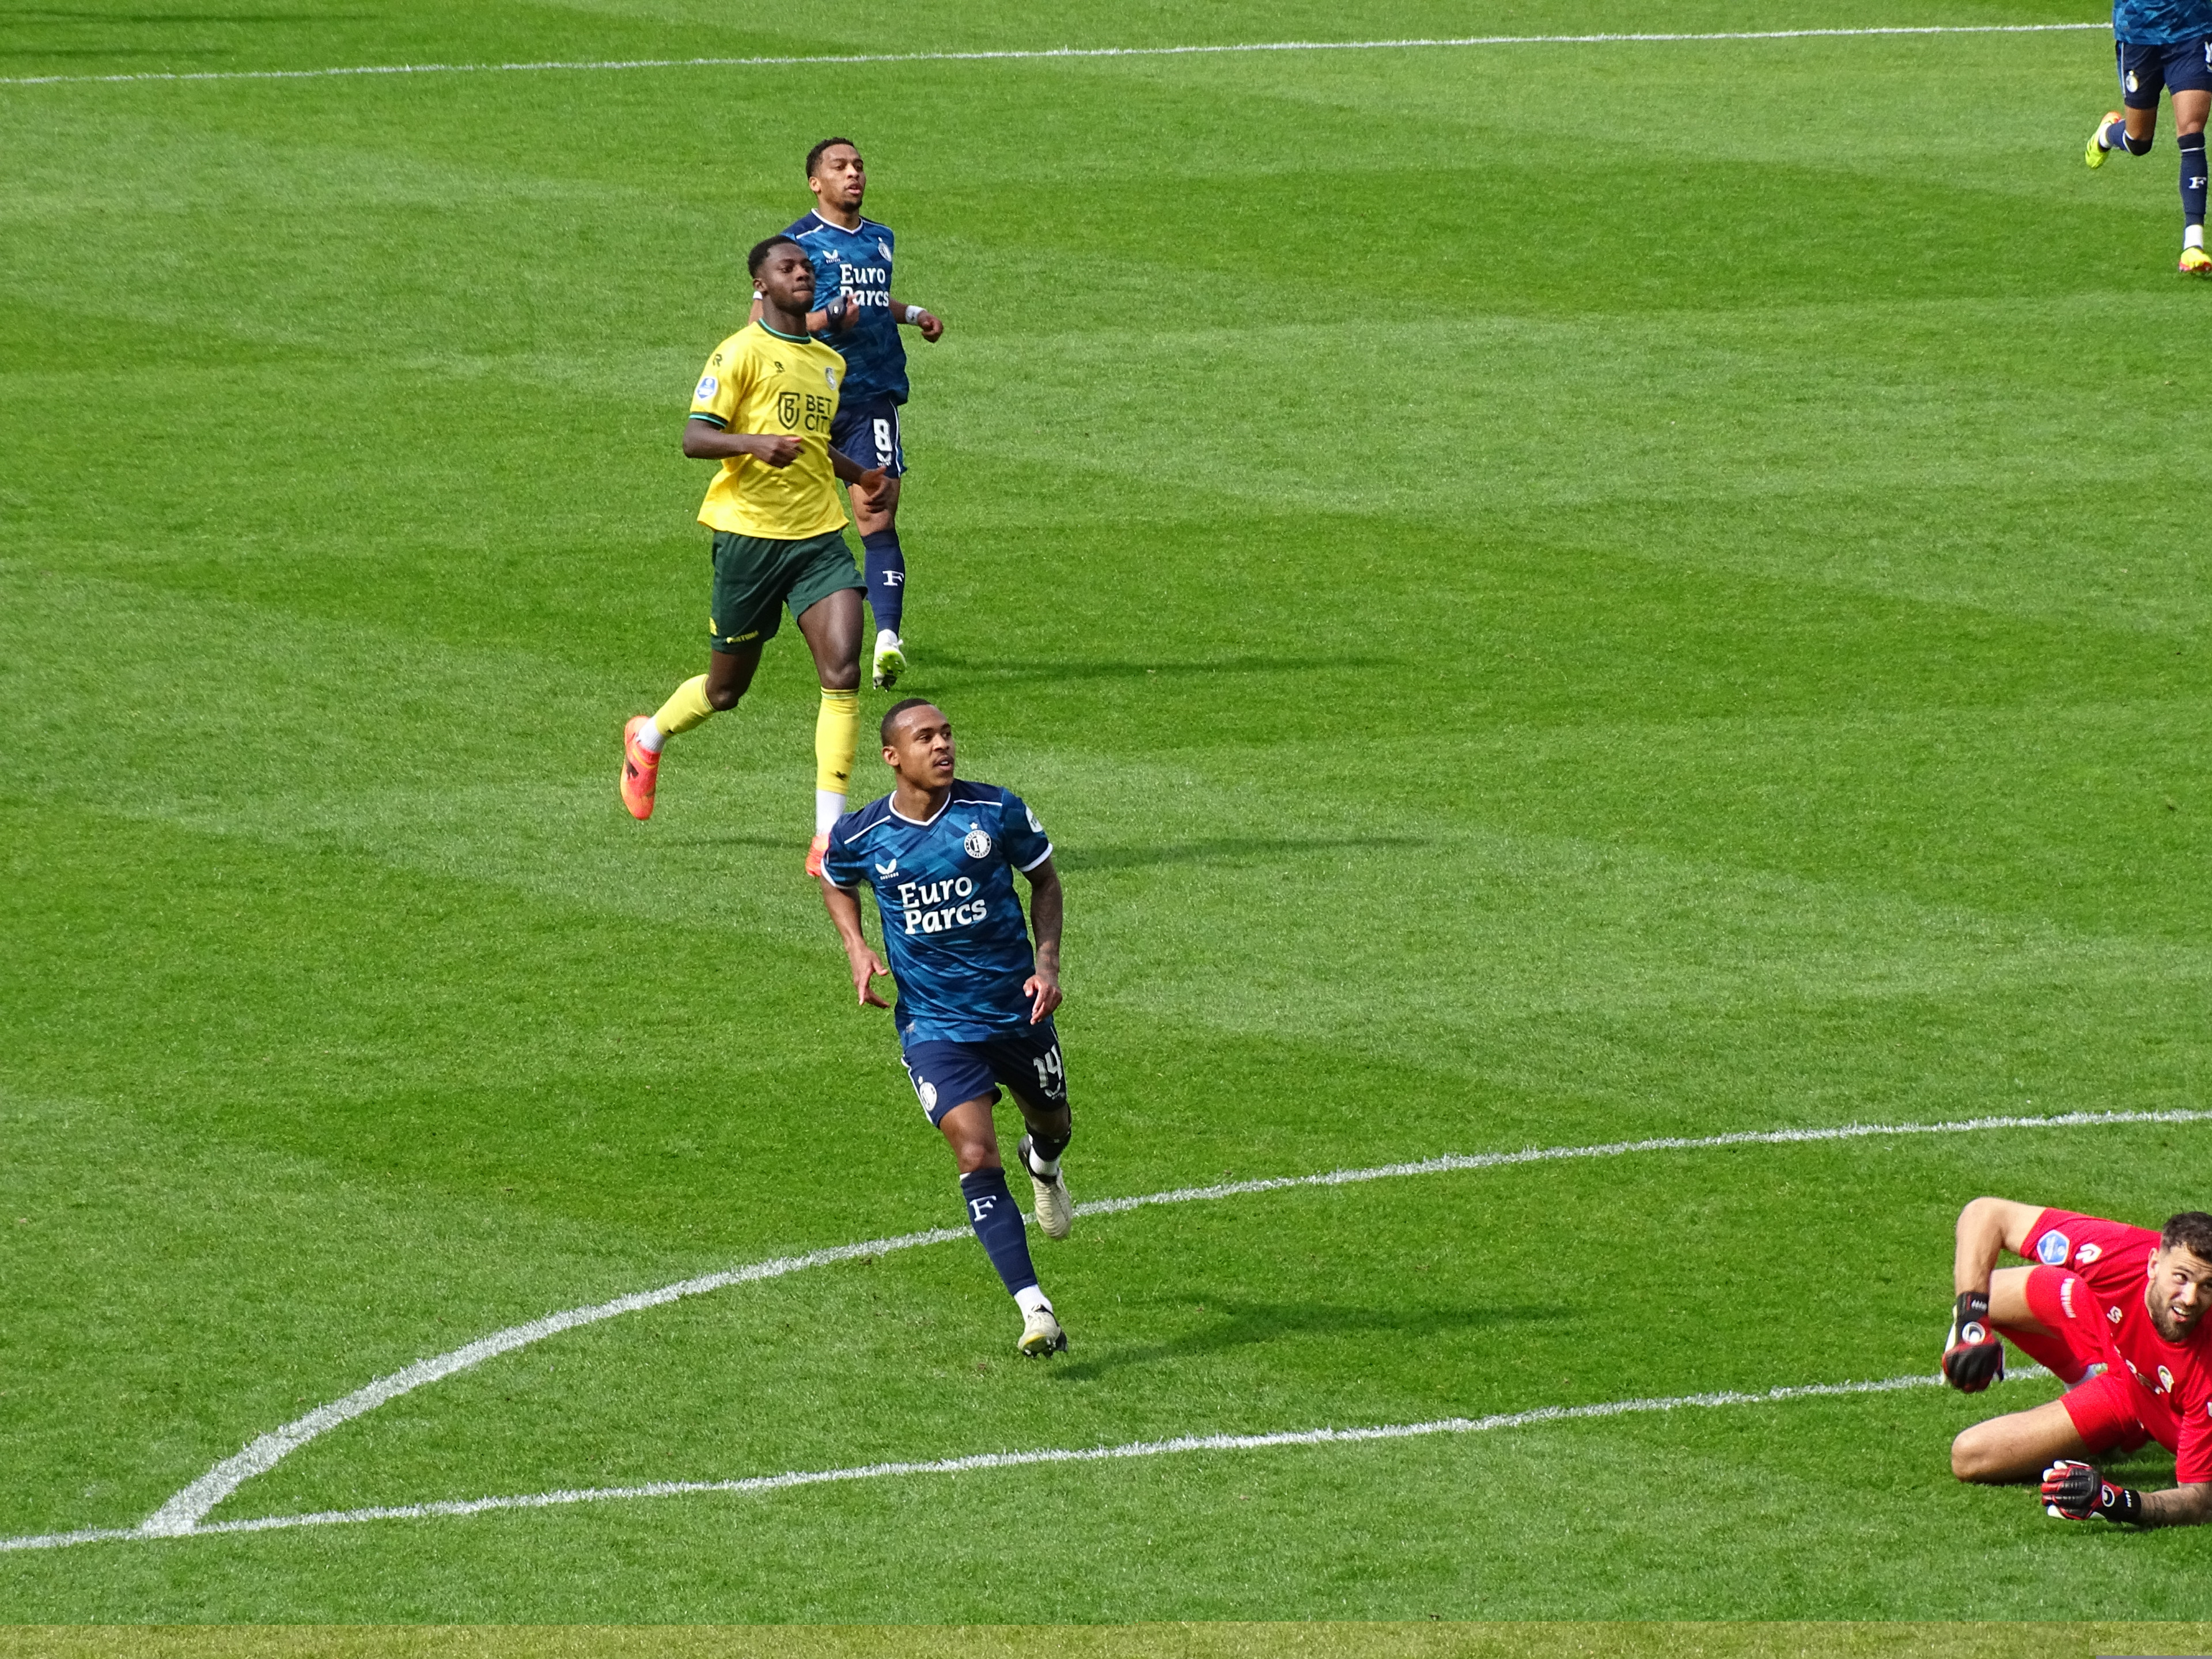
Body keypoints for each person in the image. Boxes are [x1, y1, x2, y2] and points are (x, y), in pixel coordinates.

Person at [621, 234, 885, 877]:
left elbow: (814, 444)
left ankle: (828, 838)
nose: (803, 274)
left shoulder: (828, 360)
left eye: (807, 267)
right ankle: (648, 737)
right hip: (747, 537)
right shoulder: (738, 352)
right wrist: (753, 444)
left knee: (843, 669)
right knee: (726, 688)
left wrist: (860, 475)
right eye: (787, 267)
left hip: (818, 537)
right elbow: (694, 439)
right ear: (761, 285)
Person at [816, 698, 1074, 1357]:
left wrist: (1047, 966)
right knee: (972, 1153)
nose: (942, 746)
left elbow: (1045, 881)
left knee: (1053, 1124)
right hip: (935, 1025)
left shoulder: (994, 812)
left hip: (1018, 1011)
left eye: (947, 734)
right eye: (925, 737)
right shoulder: (864, 834)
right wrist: (855, 945)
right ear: (891, 756)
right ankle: (1034, 1307)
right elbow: (833, 877)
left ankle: (1042, 1165)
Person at [774, 137, 944, 690]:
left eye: (860, 166)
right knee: (797, 517)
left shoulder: (881, 239)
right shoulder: (794, 246)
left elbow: (874, 299)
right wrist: (827, 321)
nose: (854, 174)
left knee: (877, 507)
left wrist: (913, 313)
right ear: (815, 183)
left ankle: (887, 639)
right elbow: (770, 326)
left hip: (872, 395)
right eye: (840, 167)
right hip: (813, 399)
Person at [1944, 1196, 2212, 1525]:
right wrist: (1972, 1324)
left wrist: (2118, 1502)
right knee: (1990, 1291)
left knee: (1971, 1455)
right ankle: (2080, 1383)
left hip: (2145, 1405)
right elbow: (1986, 1214)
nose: (2190, 1299)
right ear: (2154, 1264)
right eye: (2181, 1278)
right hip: (2123, 1365)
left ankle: (2115, 1426)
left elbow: (2200, 1499)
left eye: (2207, 1286)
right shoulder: (2118, 1253)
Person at [2082, 0, 2212, 272]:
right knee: (2138, 140)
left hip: (2193, 28)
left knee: (2191, 130)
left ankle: (2193, 244)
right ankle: (2107, 134)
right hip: (2139, 32)